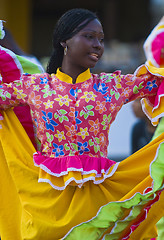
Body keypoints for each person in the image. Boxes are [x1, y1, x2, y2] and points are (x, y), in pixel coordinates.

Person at [0, 8, 164, 240]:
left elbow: (157, 82)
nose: (98, 44)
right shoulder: (35, 86)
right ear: (64, 41)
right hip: (45, 202)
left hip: (97, 203)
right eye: (89, 36)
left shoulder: (111, 86)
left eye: (101, 39)